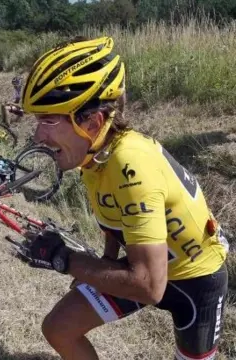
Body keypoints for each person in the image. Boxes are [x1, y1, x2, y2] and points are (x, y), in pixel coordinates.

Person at [19, 36, 229, 360]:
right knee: (59, 328)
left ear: (92, 121)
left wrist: (66, 260)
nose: (37, 136)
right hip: (144, 266)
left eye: (48, 121)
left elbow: (148, 286)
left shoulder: (130, 165)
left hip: (195, 280)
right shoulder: (93, 154)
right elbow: (113, 220)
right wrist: (101, 265)